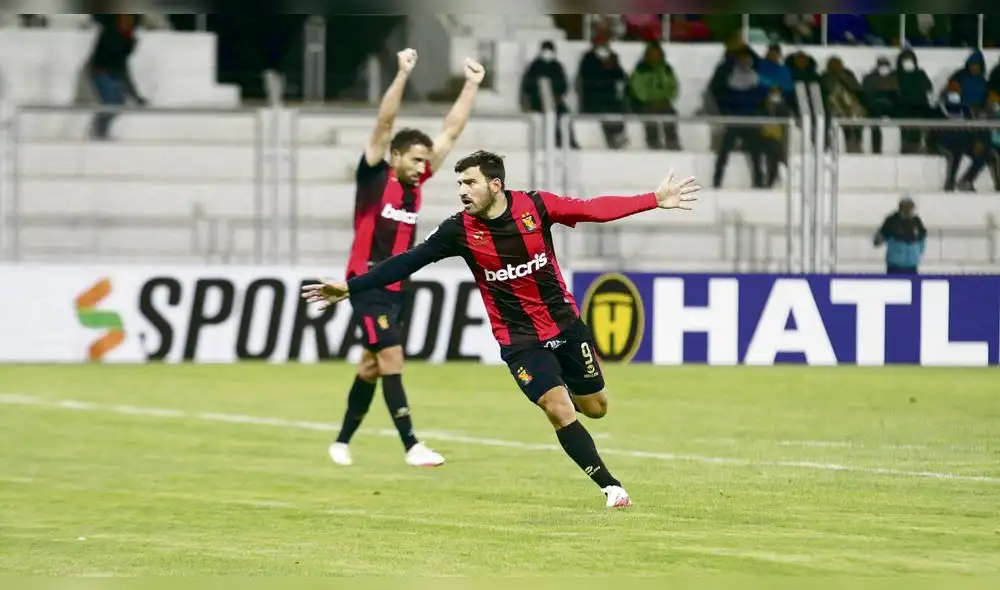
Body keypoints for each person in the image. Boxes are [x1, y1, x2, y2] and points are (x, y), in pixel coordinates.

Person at [302, 151, 700, 509]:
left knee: (596, 408)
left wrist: (653, 199)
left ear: (496, 184)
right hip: (520, 341)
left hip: (564, 325)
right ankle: (611, 487)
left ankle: (568, 390)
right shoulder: (458, 230)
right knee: (557, 408)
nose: (462, 190)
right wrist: (350, 287)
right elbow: (410, 260)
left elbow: (594, 209)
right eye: (459, 183)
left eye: (470, 182)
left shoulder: (537, 206)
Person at [328, 48, 485, 469]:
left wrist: (471, 84)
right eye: (415, 159)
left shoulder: (416, 182)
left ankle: (341, 441)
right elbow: (384, 124)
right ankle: (412, 445)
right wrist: (401, 73)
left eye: (424, 161)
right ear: (395, 156)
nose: (422, 167)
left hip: (398, 287)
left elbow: (450, 132)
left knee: (371, 367)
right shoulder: (373, 176)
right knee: (392, 358)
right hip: (365, 282)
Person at [874, 197, 927, 275]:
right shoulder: (892, 221)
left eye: (910, 207)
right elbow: (879, 239)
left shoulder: (916, 221)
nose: (908, 210)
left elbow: (921, 239)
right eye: (906, 207)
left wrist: (917, 253)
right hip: (895, 265)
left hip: (912, 265)